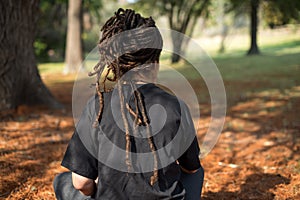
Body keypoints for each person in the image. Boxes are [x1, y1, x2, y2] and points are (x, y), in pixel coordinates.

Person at [53, 8, 204, 200]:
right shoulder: (176, 106)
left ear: (115, 62)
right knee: (197, 173)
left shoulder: (97, 107)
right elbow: (191, 168)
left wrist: (99, 189)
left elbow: (81, 183)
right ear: (155, 61)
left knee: (61, 181)